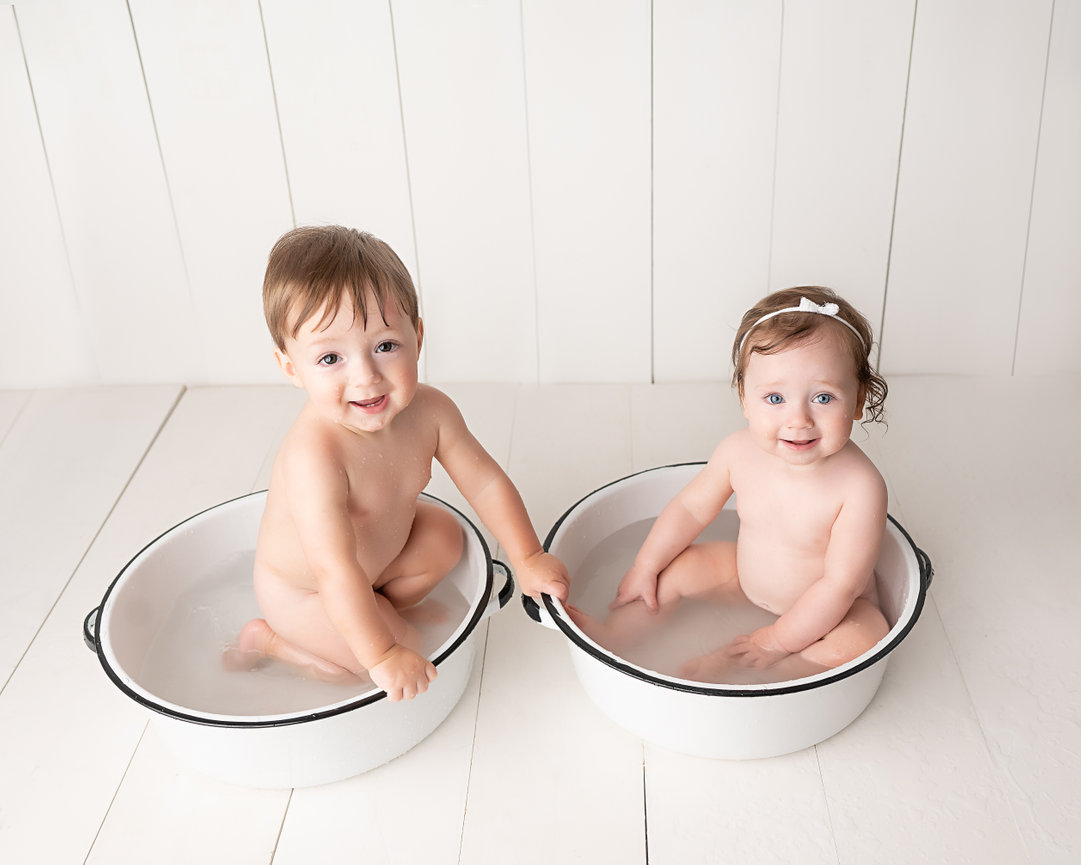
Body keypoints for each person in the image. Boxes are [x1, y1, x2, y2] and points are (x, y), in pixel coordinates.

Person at [226, 226, 569, 701]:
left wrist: (527, 556)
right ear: (291, 368)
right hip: (309, 594)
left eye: (385, 346)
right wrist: (383, 654)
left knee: (445, 537)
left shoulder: (430, 412)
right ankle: (272, 640)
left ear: (418, 336)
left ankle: (383, 610)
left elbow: (485, 483)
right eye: (330, 357)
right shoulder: (314, 456)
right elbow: (335, 568)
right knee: (384, 661)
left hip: (376, 564)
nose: (366, 376)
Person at [569, 287, 890, 683]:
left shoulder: (860, 487)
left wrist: (775, 642)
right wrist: (645, 565)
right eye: (775, 398)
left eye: (823, 397)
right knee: (676, 572)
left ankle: (767, 672)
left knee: (863, 640)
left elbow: (841, 585)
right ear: (743, 398)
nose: (798, 419)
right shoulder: (739, 452)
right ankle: (616, 637)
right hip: (744, 577)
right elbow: (690, 509)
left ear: (858, 400)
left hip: (835, 611)